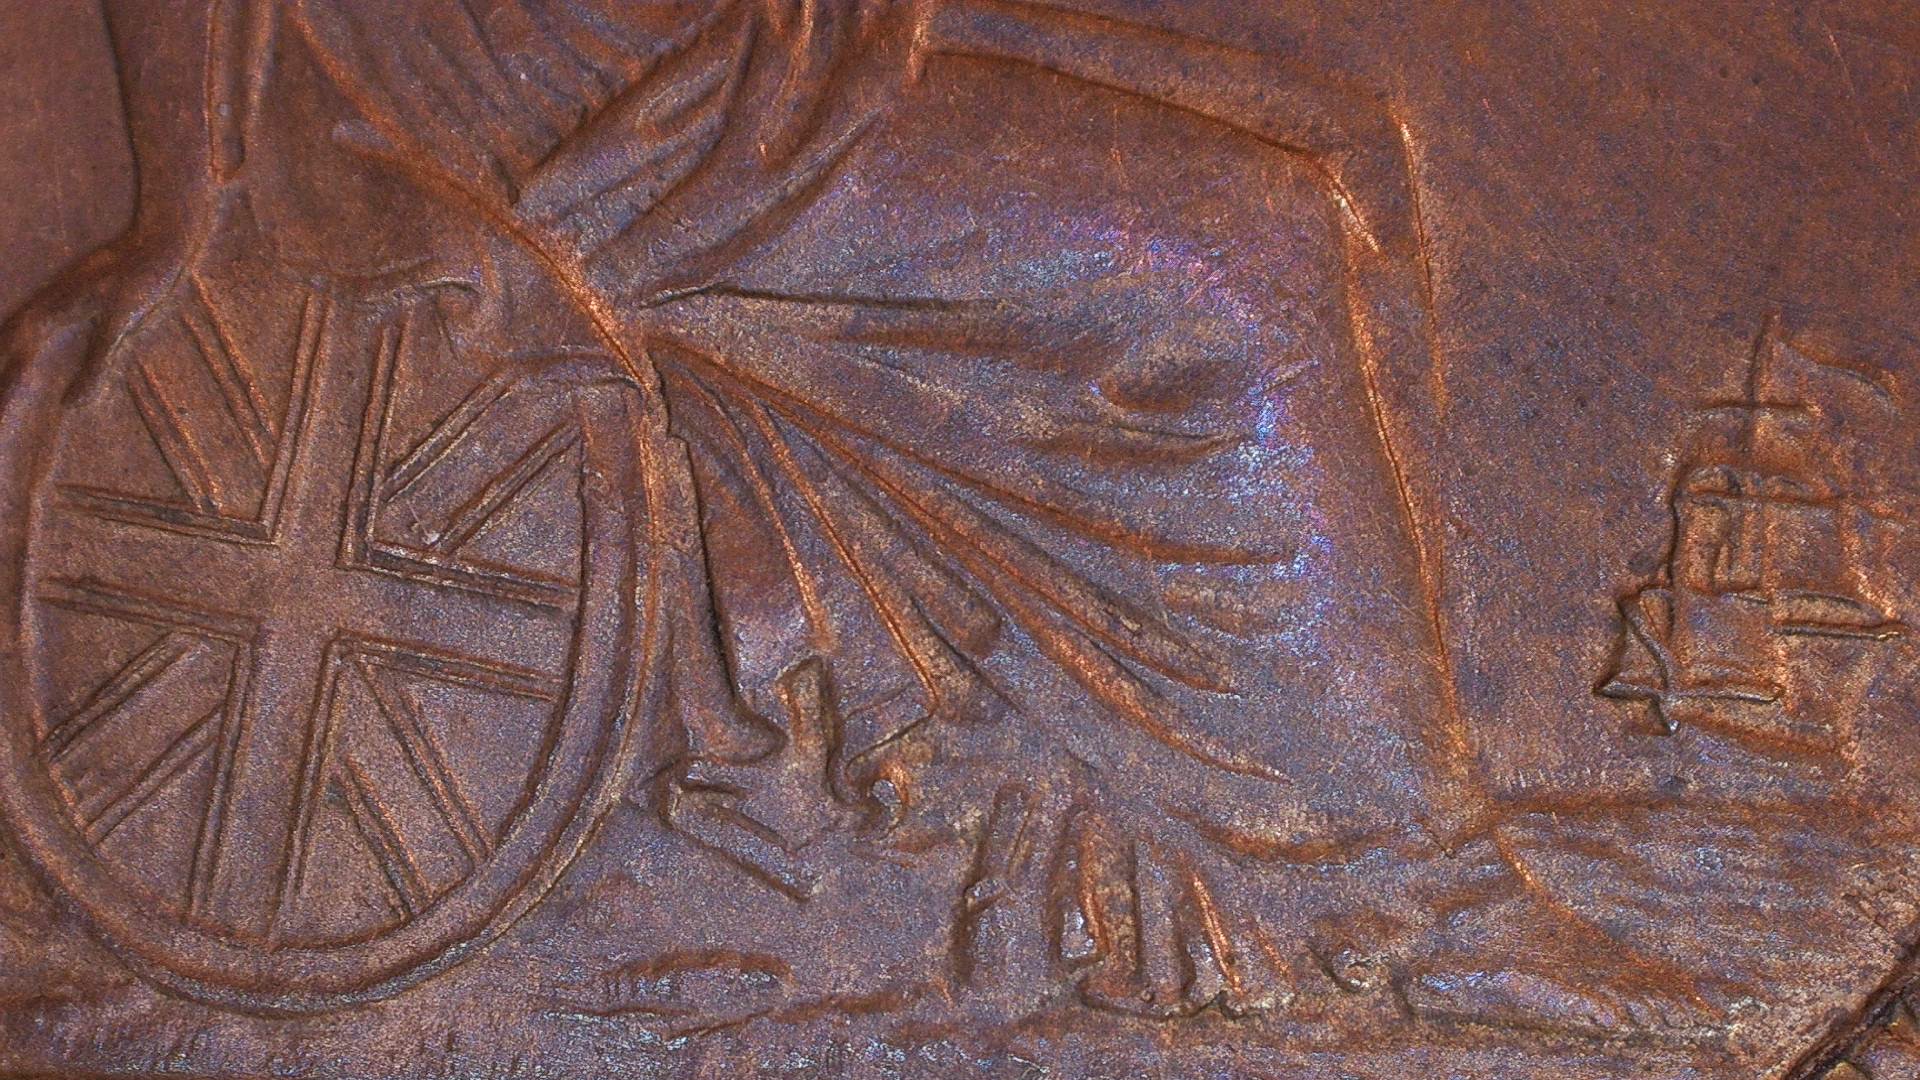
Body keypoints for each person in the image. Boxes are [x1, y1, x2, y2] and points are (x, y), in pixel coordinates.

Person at [1, 0, 1721, 1034]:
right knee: (1246, 260)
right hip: (576, 103)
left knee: (1344, 152)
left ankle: (1225, 842)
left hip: (763, 48)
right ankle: (1421, 901)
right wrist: (187, 194)